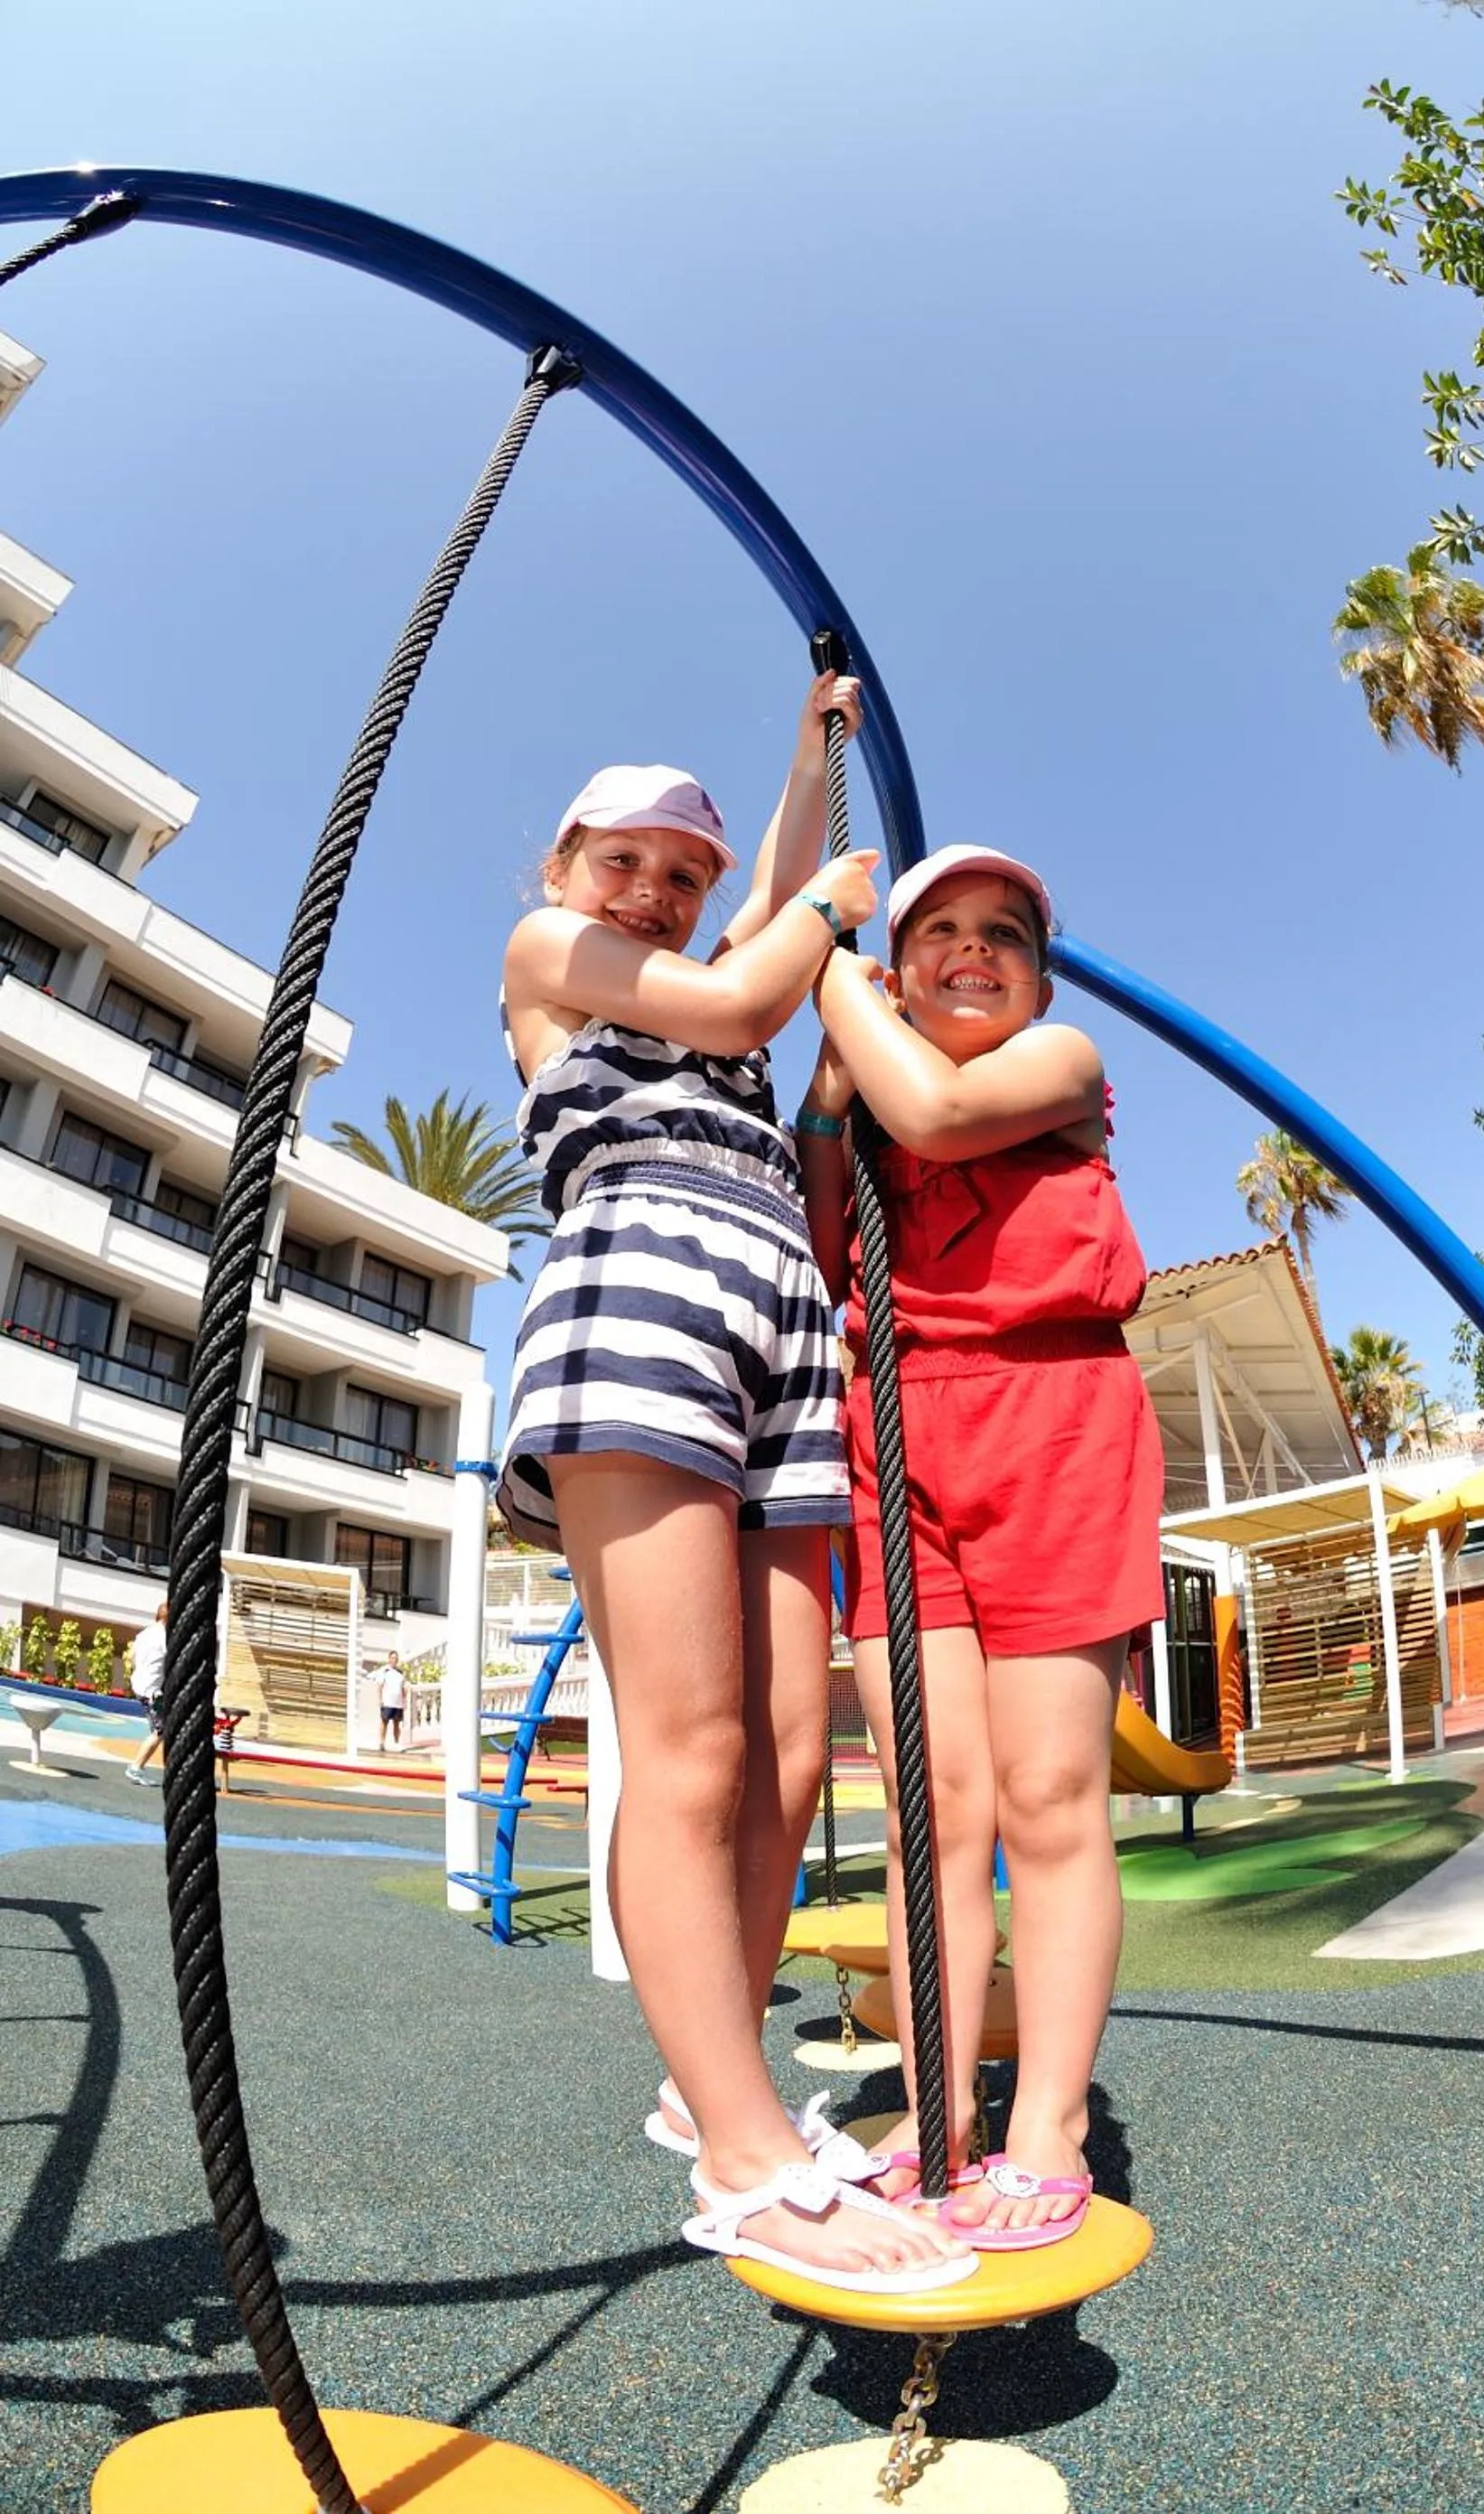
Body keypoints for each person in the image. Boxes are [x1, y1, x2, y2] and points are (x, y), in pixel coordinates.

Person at [494, 672, 973, 2298]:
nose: (654, 890)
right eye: (623, 858)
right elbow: (746, 991)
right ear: (562, 864)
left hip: (777, 1324)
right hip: (642, 1294)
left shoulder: (721, 951)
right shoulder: (557, 963)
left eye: (679, 878)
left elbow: (767, 914)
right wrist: (823, 908)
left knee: (785, 1747)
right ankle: (742, 2142)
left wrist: (807, 759)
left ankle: (708, 2079)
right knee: (689, 1744)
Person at [798, 842, 1165, 2250]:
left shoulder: (1057, 1061)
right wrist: (830, 1099)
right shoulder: (874, 1094)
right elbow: (831, 1241)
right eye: (937, 929)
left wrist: (826, 973)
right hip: (898, 1428)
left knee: (1050, 1789)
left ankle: (1049, 2120)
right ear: (903, 966)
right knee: (926, 1804)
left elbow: (945, 1111)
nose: (970, 949)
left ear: (1039, 970)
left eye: (1000, 932)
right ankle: (937, 2104)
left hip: (1055, 1415)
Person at [125, 1601, 168, 1784]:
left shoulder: (145, 1632)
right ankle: (136, 1768)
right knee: (160, 1731)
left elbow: (131, 1656)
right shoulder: (164, 1636)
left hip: (141, 1685)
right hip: (152, 1691)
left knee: (161, 1728)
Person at [376, 1651, 407, 1751]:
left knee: (397, 1724)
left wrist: (404, 1701)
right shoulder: (384, 1671)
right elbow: (379, 1686)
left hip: (398, 1703)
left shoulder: (400, 1673)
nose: (394, 1660)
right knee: (384, 1722)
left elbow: (403, 1688)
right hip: (387, 1702)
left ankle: (396, 1743)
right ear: (389, 1659)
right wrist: (380, 1700)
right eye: (392, 1658)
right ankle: (382, 1743)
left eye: (396, 1658)